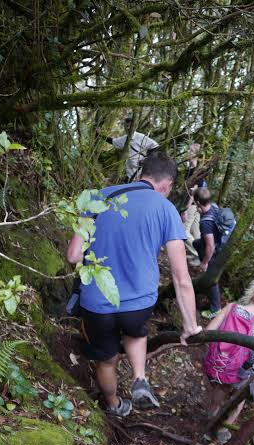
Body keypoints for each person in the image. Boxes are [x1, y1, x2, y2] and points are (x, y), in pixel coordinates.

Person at [67, 153, 202, 417]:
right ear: (167, 185)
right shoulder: (166, 209)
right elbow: (181, 277)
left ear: (143, 173)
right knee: (136, 332)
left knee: (106, 359)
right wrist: (189, 325)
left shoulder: (98, 197)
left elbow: (73, 256)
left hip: (97, 302)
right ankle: (140, 377)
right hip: (139, 302)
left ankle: (115, 404)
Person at [203, 279, 254, 428]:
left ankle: (211, 414)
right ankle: (225, 428)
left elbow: (209, 331)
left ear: (251, 293)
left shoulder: (231, 307)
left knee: (221, 388)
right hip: (240, 368)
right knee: (242, 396)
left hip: (218, 362)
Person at [97, 116, 159, 182]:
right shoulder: (124, 139)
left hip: (142, 171)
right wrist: (100, 134)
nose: (128, 128)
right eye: (126, 126)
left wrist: (146, 160)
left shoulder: (140, 137)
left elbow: (155, 147)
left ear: (134, 126)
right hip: (130, 172)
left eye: (130, 126)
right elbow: (112, 141)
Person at [192, 187, 222, 320]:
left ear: (198, 203)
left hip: (215, 250)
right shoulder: (214, 207)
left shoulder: (206, 223)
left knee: (211, 278)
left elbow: (210, 246)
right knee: (196, 243)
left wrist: (205, 263)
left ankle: (216, 309)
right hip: (219, 245)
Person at [181, 143, 207, 266]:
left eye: (190, 151)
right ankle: (200, 256)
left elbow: (193, 192)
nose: (188, 153)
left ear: (196, 154)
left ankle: (198, 255)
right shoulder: (196, 169)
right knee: (196, 232)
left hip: (192, 205)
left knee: (183, 231)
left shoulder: (195, 172)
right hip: (197, 205)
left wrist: (185, 209)